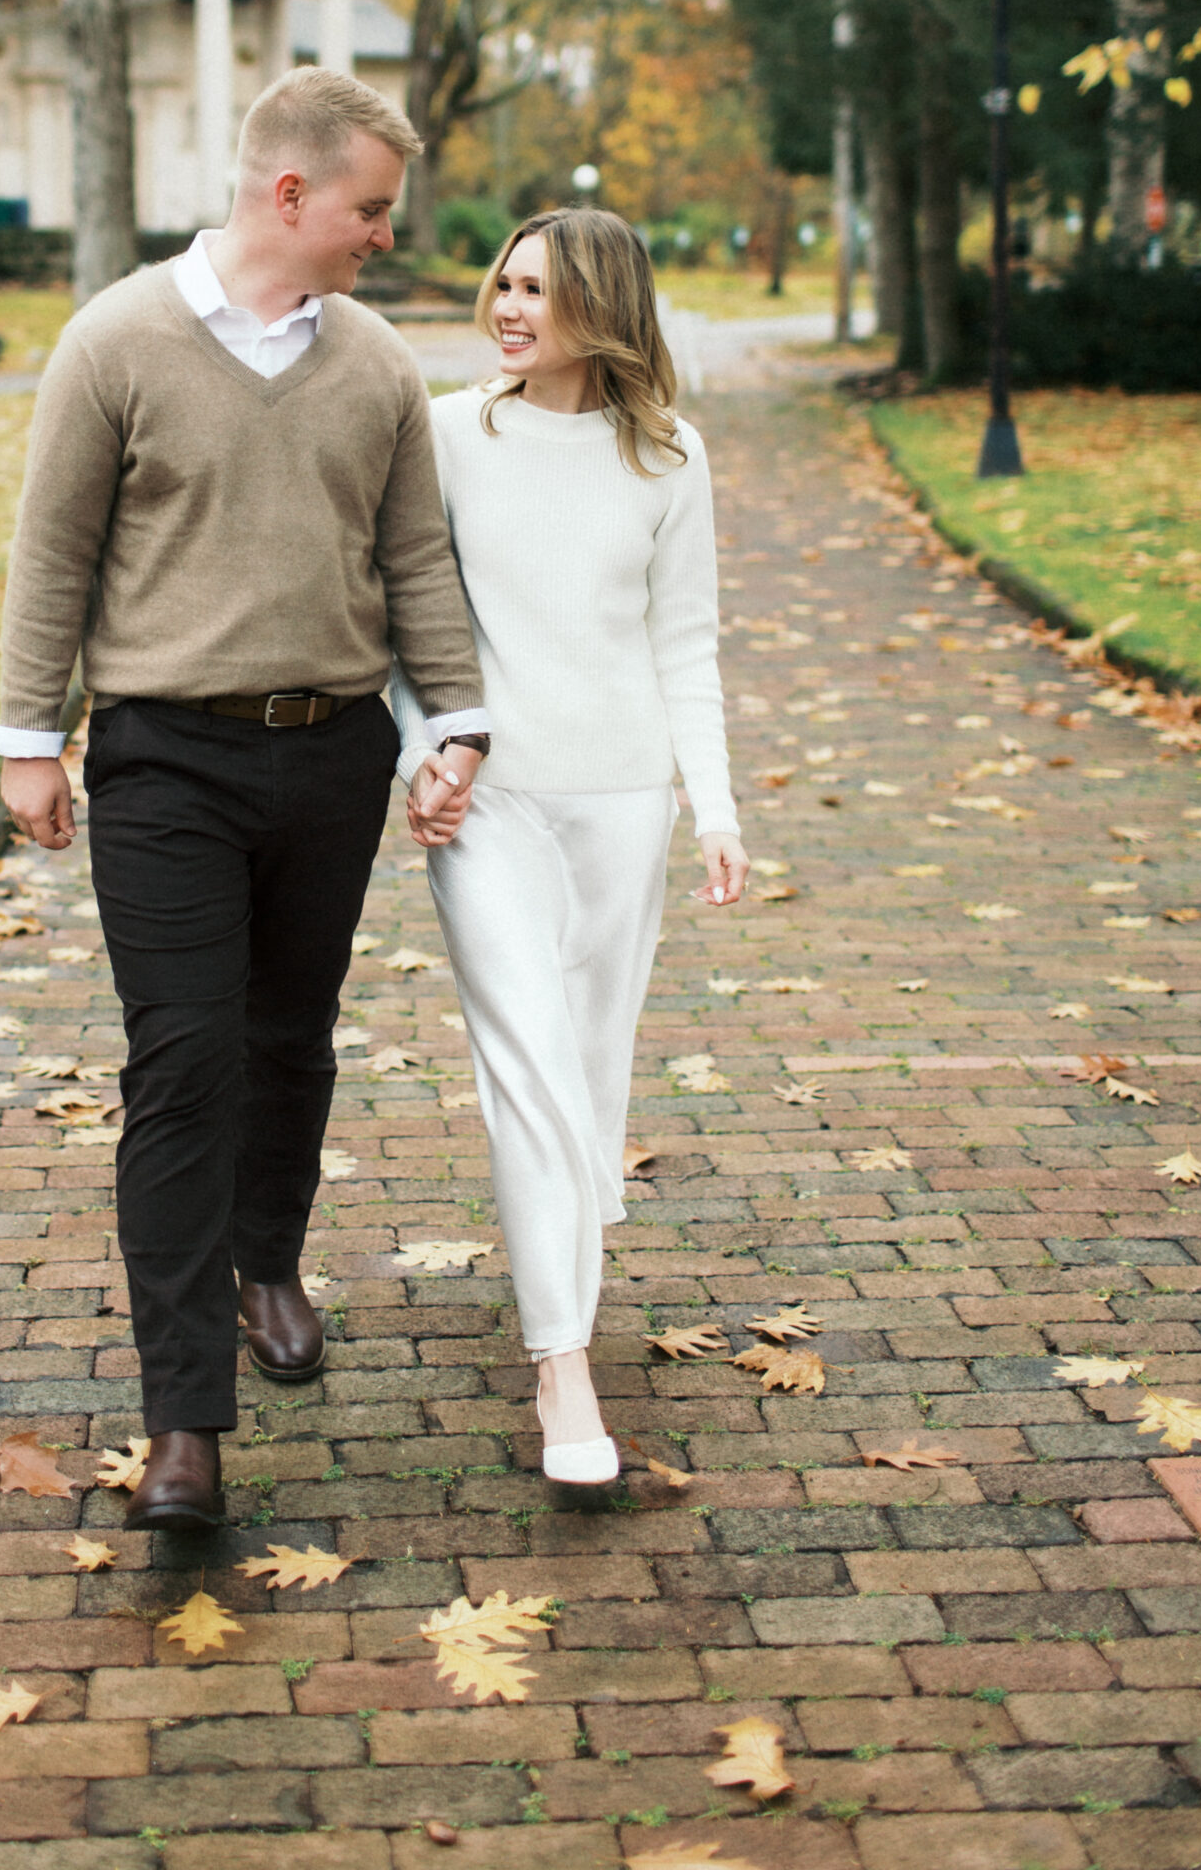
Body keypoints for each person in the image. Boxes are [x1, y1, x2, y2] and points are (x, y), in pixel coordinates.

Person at [0, 68, 491, 1532]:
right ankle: (183, 1423)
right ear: (291, 193)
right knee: (183, 1061)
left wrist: (456, 720)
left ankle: (266, 1258)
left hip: (331, 755)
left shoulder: (377, 364)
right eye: (371, 208)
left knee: (288, 1037)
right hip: (166, 759)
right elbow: (51, 550)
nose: (385, 234)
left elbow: (414, 557)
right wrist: (31, 738)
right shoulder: (114, 343)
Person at [392, 208, 748, 1493]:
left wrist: (712, 804)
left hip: (621, 798)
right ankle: (563, 1365)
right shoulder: (446, 433)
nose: (507, 306)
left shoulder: (669, 455)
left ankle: (565, 1232)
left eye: (536, 290)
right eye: (503, 282)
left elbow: (683, 639)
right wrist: (423, 752)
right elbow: (405, 617)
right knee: (529, 1064)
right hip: (491, 800)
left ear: (600, 304)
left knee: (588, 1068)